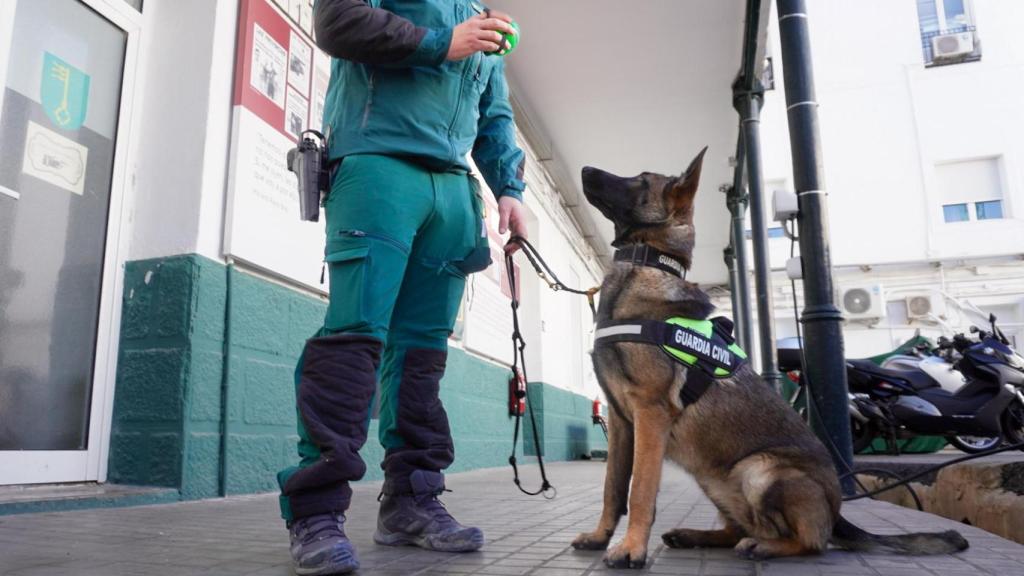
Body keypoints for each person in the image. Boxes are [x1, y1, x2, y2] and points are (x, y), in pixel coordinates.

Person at [275, 1, 528, 574]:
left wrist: (510, 188)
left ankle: (412, 502)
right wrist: (444, 43)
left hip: (452, 189)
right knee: (353, 336)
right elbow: (337, 22)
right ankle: (315, 511)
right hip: (376, 164)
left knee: (422, 354)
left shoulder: (483, 17)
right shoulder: (464, 27)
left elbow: (495, 114)